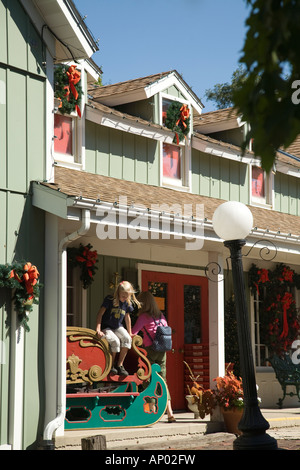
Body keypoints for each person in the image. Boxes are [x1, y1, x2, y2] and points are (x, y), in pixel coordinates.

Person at [131, 290, 176, 422]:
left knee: (147, 380)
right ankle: (170, 412)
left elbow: (133, 333)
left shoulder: (143, 317)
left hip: (149, 351)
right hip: (162, 351)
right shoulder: (161, 316)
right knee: (163, 381)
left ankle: (151, 411)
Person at [96, 281, 140, 376]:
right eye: (123, 296)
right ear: (118, 292)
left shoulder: (127, 303)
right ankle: (111, 365)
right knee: (115, 340)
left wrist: (130, 332)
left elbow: (127, 318)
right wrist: (98, 329)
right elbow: (100, 313)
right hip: (107, 327)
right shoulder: (110, 299)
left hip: (117, 326)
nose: (125, 298)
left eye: (127, 296)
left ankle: (120, 364)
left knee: (127, 338)